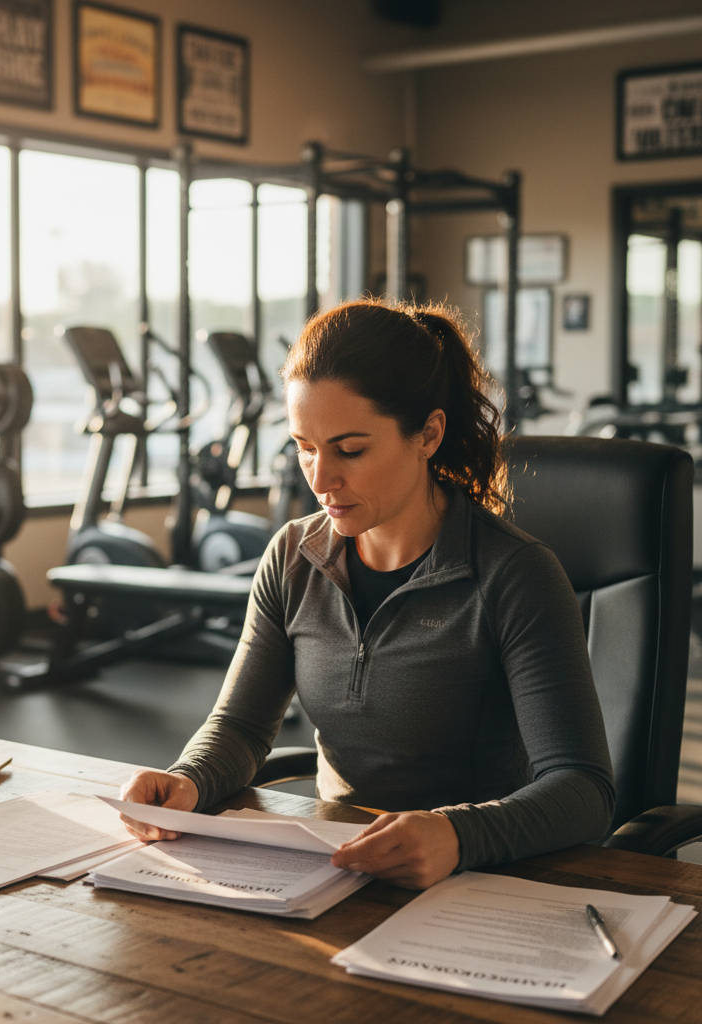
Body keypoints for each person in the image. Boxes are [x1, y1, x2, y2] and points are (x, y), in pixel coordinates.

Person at [119, 298, 615, 890]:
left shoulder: (515, 575)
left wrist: (458, 835)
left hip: (472, 878)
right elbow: (242, 726)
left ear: (428, 433)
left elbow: (583, 788)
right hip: (335, 869)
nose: (321, 479)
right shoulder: (293, 556)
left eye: (350, 450)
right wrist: (189, 777)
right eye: (305, 446)